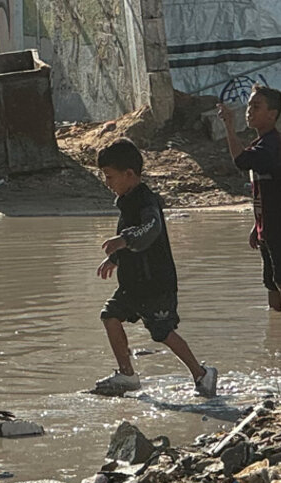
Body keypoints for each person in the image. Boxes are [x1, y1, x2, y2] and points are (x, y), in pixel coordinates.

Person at [92, 139, 218, 397]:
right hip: (133, 284)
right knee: (110, 316)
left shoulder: (147, 202)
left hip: (155, 284)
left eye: (110, 177)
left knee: (162, 332)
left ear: (129, 174)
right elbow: (130, 242)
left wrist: (124, 240)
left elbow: (151, 230)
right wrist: (115, 258)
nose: (107, 183)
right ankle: (127, 374)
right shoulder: (126, 200)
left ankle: (202, 374)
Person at [217, 86, 281, 316]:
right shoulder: (262, 144)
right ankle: (278, 330)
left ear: (272, 114)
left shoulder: (271, 145)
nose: (249, 112)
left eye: (256, 107)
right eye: (249, 106)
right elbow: (264, 193)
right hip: (270, 224)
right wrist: (257, 226)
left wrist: (228, 128)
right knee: (271, 282)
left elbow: (241, 161)